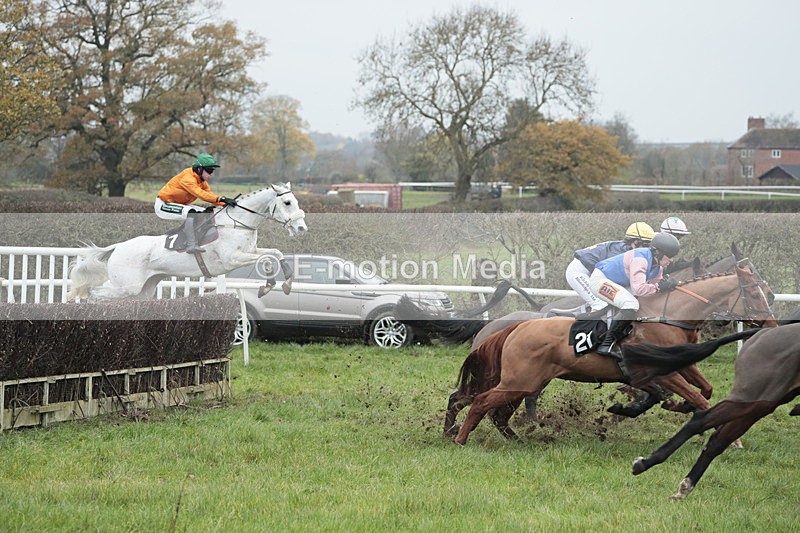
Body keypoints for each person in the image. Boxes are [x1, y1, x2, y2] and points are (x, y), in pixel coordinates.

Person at [588, 232, 681, 356]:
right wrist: (660, 287)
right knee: (630, 304)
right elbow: (640, 289)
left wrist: (668, 287)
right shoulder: (640, 259)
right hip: (600, 280)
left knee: (641, 302)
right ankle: (606, 344)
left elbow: (654, 290)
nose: (671, 260)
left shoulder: (658, 267)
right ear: (658, 253)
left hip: (619, 283)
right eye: (669, 256)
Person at [154, 153, 238, 253]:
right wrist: (222, 199)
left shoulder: (202, 182)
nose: (211, 174)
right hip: (163, 205)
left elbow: (210, 197)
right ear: (199, 169)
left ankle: (199, 239)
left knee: (206, 213)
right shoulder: (187, 178)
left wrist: (225, 205)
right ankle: (191, 245)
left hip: (179, 205)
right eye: (209, 170)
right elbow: (201, 194)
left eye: (212, 171)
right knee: (192, 212)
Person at [565, 222, 655, 312]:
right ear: (635, 242)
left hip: (592, 271)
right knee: (600, 304)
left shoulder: (628, 250)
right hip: (579, 272)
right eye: (646, 245)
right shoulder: (620, 252)